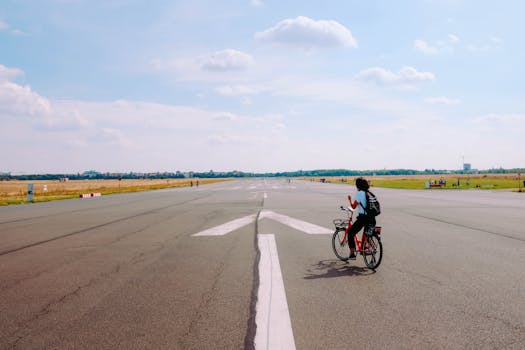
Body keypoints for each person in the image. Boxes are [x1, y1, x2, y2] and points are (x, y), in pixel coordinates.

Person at [346, 177, 376, 260]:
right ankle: (368, 251)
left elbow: (353, 206)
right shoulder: (369, 193)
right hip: (372, 218)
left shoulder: (360, 194)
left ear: (358, 186)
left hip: (363, 218)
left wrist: (350, 200)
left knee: (350, 233)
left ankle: (352, 254)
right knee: (367, 235)